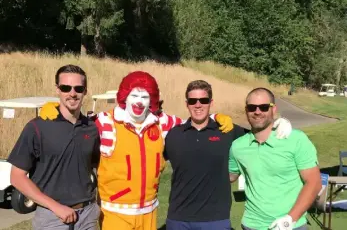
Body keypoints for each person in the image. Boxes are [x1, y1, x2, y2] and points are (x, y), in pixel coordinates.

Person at [38, 71, 234, 230]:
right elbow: (78, 124)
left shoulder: (162, 123)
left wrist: (217, 118)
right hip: (115, 214)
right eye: (134, 96)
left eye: (145, 97)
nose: (139, 102)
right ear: (124, 97)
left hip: (149, 213)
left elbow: (193, 121)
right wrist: (57, 109)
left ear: (152, 101)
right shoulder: (105, 121)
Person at [163, 81, 293, 230]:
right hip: (178, 219)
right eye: (193, 101)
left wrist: (279, 123)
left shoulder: (228, 131)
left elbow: (260, 132)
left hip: (216, 219)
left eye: (203, 100)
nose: (198, 105)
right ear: (187, 104)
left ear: (211, 103)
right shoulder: (174, 134)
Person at [7, 65, 101, 230]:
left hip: (87, 215)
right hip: (52, 217)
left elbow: (98, 168)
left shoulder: (92, 128)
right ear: (57, 89)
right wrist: (55, 207)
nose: (72, 93)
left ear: (85, 91)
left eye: (78, 88)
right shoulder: (37, 127)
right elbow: (17, 177)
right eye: (66, 88)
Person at [229, 87, 322, 230]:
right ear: (246, 110)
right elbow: (230, 175)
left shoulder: (296, 139)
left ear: (273, 109)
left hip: (291, 225)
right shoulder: (238, 146)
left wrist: (289, 219)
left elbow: (314, 183)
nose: (257, 111)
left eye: (264, 107)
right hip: (251, 225)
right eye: (252, 107)